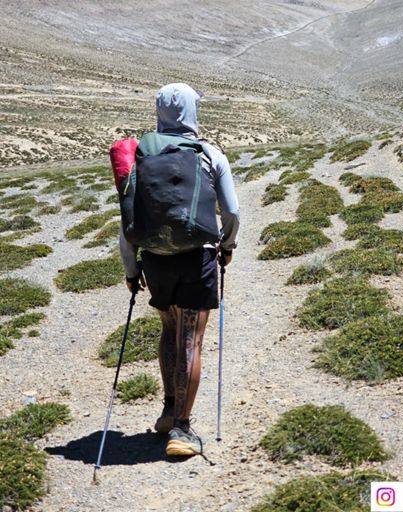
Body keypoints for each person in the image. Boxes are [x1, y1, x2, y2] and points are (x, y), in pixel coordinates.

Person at [119, 83, 240, 457]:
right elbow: (232, 212)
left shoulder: (140, 155)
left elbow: (127, 220)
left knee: (170, 330)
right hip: (196, 256)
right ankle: (183, 431)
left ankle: (169, 410)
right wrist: (227, 246)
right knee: (190, 340)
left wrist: (131, 269)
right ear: (191, 112)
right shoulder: (209, 154)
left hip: (155, 258)